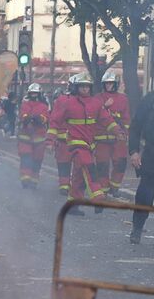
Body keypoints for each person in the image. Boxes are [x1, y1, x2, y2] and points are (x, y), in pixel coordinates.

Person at [47, 72, 124, 215]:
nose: (85, 89)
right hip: (76, 143)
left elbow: (106, 120)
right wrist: (50, 141)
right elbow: (54, 121)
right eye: (82, 86)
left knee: (78, 174)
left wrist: (117, 131)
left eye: (87, 87)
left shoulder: (95, 103)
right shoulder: (67, 102)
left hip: (90, 144)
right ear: (76, 87)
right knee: (89, 168)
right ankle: (98, 197)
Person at [94, 70, 130, 196]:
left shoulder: (123, 98)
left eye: (111, 83)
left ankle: (115, 187)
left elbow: (126, 118)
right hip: (101, 138)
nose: (109, 86)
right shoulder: (98, 98)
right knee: (102, 165)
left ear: (116, 84)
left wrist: (124, 132)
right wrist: (105, 106)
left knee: (120, 162)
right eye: (107, 84)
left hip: (118, 137)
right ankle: (104, 189)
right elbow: (95, 114)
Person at [128, 90, 154, 243]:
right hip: (151, 156)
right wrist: (134, 152)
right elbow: (136, 127)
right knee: (145, 195)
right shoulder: (149, 100)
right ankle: (137, 228)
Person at [17, 83, 49, 188]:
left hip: (39, 138)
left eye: (36, 93)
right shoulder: (25, 104)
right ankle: (25, 179)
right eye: (32, 93)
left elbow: (46, 117)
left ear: (39, 94)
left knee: (37, 160)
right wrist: (26, 118)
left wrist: (40, 119)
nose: (34, 95)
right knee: (26, 158)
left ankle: (34, 180)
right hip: (25, 136)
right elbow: (22, 114)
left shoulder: (44, 106)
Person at [48, 86, 72, 195]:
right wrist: (51, 142)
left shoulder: (68, 108)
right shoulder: (54, 111)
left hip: (72, 142)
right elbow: (52, 126)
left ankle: (71, 186)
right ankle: (64, 186)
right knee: (63, 165)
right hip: (62, 143)